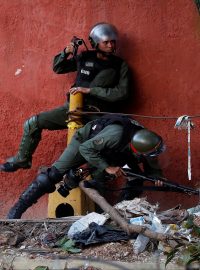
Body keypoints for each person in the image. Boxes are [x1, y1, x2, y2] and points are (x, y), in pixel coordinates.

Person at [0, 22, 130, 173]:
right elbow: (58, 67)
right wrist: (65, 52)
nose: (110, 45)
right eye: (106, 42)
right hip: (72, 109)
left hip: (97, 116)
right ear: (95, 42)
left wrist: (90, 90)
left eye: (112, 42)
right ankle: (22, 160)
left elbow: (122, 93)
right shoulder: (84, 57)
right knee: (33, 123)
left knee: (91, 152)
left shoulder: (120, 65)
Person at [7, 114, 166, 219]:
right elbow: (86, 148)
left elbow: (152, 164)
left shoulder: (147, 141)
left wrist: (157, 177)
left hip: (112, 150)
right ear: (136, 149)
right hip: (85, 142)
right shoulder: (116, 135)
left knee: (135, 178)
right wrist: (107, 167)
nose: (149, 157)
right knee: (51, 176)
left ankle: (117, 215)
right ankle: (15, 211)